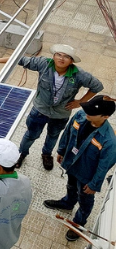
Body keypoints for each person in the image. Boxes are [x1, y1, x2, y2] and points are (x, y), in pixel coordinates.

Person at [0, 44, 103, 170]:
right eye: (59, 55)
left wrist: (81, 102)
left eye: (66, 57)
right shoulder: (43, 64)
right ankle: (21, 154)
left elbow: (97, 86)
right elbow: (20, 59)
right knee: (30, 135)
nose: (61, 59)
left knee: (53, 136)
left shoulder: (79, 75)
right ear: (54, 56)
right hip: (40, 110)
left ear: (71, 61)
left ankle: (46, 154)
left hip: (60, 114)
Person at [43, 95, 116, 242]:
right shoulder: (81, 115)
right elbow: (68, 131)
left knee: (85, 200)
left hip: (86, 175)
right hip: (72, 164)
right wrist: (62, 150)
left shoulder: (109, 140)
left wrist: (94, 184)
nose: (86, 112)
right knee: (70, 185)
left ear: (105, 116)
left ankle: (79, 222)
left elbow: (104, 166)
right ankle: (68, 203)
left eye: (92, 112)